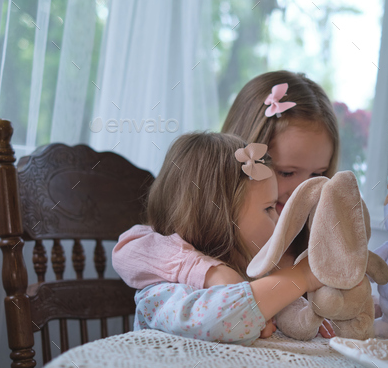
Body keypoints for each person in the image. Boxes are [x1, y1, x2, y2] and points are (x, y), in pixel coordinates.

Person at [113, 71, 388, 338]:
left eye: (320, 174)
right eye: (288, 172)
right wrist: (216, 273)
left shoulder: (307, 246)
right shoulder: (175, 263)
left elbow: (337, 321)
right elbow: (136, 247)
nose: (305, 190)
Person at [131, 132, 324, 345]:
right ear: (217, 219)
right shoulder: (162, 291)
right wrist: (301, 276)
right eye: (269, 208)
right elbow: (219, 319)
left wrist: (302, 315)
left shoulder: (249, 275)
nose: (279, 221)